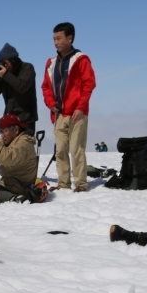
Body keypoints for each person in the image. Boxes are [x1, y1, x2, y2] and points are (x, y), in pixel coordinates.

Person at [41, 22, 96, 192]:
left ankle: (80, 184)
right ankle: (63, 183)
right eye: (54, 39)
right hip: (59, 114)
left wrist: (80, 107)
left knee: (76, 149)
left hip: (77, 113)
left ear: (69, 38)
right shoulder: (51, 62)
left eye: (59, 38)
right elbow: (45, 87)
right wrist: (50, 104)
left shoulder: (81, 59)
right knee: (61, 150)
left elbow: (89, 84)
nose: (56, 42)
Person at [0, 43, 38, 135]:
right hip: (9, 119)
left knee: (23, 148)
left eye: (6, 63)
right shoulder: (6, 74)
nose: (5, 66)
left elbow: (22, 87)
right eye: (2, 63)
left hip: (26, 120)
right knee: (9, 149)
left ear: (13, 60)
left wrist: (6, 74)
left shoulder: (27, 68)